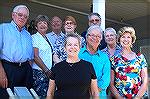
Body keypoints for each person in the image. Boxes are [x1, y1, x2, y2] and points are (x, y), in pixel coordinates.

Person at [47, 33, 99, 99]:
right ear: (64, 48)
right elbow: (50, 93)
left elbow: (94, 92)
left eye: (76, 45)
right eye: (69, 45)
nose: (72, 47)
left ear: (80, 48)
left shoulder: (88, 66)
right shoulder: (57, 67)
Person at [0, 5, 33, 98]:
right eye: (20, 15)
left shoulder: (27, 35)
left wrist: (28, 72)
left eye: (25, 16)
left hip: (25, 70)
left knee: (24, 96)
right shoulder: (3, 28)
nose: (22, 18)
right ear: (13, 15)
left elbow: (30, 57)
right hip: (8, 69)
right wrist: (0, 72)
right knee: (7, 95)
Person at [110, 26, 148, 99]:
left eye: (129, 37)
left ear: (132, 40)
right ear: (119, 39)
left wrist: (137, 98)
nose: (126, 39)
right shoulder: (113, 59)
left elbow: (145, 81)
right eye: (123, 37)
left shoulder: (140, 57)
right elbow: (111, 84)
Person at [79, 25, 111, 98]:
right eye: (92, 35)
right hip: (80, 94)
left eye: (98, 36)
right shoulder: (78, 54)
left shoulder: (104, 57)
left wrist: (93, 91)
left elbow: (106, 79)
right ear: (86, 37)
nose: (95, 38)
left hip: (100, 95)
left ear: (101, 40)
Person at [31, 15, 53, 97]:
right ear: (36, 27)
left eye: (45, 23)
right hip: (39, 73)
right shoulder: (34, 38)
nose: (43, 25)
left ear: (47, 26)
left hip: (48, 73)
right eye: (40, 23)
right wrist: (47, 70)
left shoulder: (47, 38)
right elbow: (35, 56)